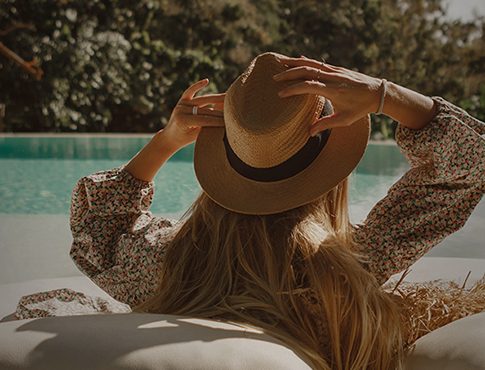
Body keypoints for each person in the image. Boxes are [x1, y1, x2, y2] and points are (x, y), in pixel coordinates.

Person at [15, 52, 485, 369]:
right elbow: (468, 164)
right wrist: (386, 95)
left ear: (229, 157)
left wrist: (166, 141)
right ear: (330, 172)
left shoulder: (166, 263)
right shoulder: (350, 267)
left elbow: (99, 228)